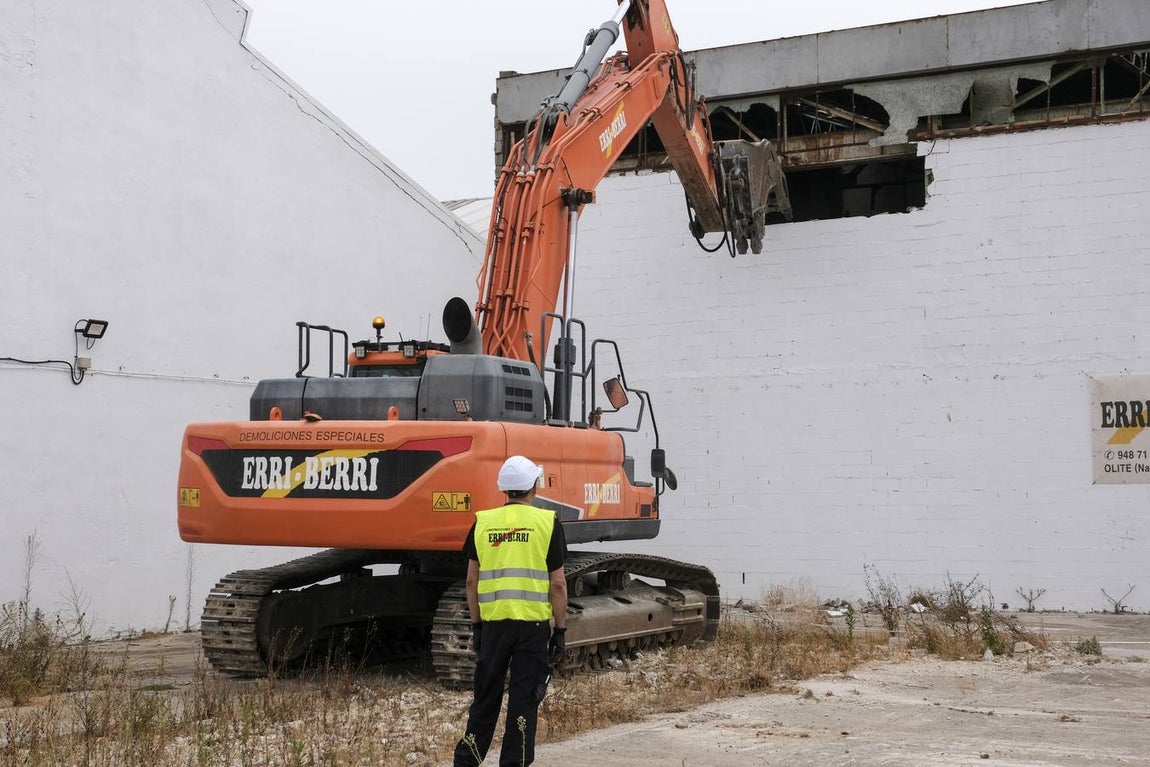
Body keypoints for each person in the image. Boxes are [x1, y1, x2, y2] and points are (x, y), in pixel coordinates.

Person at [453, 455, 568, 767]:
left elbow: (470, 581)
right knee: (523, 700)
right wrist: (560, 632)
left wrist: (477, 626)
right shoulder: (547, 523)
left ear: (504, 489)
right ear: (534, 486)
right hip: (531, 629)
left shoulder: (483, 522)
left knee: (485, 699)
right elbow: (558, 584)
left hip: (493, 627)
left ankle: (467, 760)